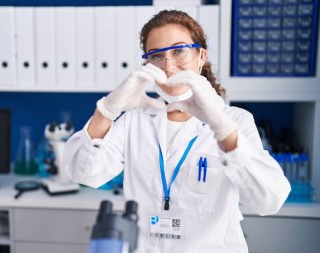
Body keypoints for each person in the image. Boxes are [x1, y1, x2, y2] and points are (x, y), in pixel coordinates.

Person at [63, 10, 291, 253]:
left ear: (201, 56)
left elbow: (269, 200)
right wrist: (107, 109)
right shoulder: (135, 121)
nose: (169, 66)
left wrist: (223, 129)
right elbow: (83, 172)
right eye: (157, 56)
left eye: (179, 50)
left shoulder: (236, 121)